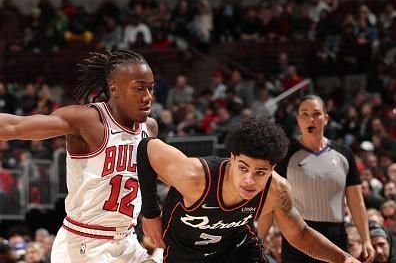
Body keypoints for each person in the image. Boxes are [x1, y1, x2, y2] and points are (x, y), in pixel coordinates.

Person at [0, 50, 162, 263]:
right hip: (85, 244)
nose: (147, 97)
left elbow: (153, 176)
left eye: (150, 88)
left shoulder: (149, 128)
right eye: (139, 88)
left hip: (127, 240)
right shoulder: (87, 120)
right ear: (114, 89)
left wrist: (152, 213)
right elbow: (13, 126)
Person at [137, 116, 362, 263]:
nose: (249, 180)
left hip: (238, 250)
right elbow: (146, 148)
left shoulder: (277, 190)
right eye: (243, 168)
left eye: (260, 172)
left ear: (273, 169)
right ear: (232, 158)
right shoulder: (195, 176)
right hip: (186, 253)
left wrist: (343, 259)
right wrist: (151, 213)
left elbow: (299, 234)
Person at [274, 95, 374, 263]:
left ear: (326, 118)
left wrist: (366, 240)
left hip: (336, 236)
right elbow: (274, 200)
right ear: (298, 119)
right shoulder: (286, 154)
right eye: (304, 114)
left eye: (316, 113)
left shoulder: (344, 153)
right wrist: (259, 239)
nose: (310, 118)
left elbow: (356, 202)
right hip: (297, 235)